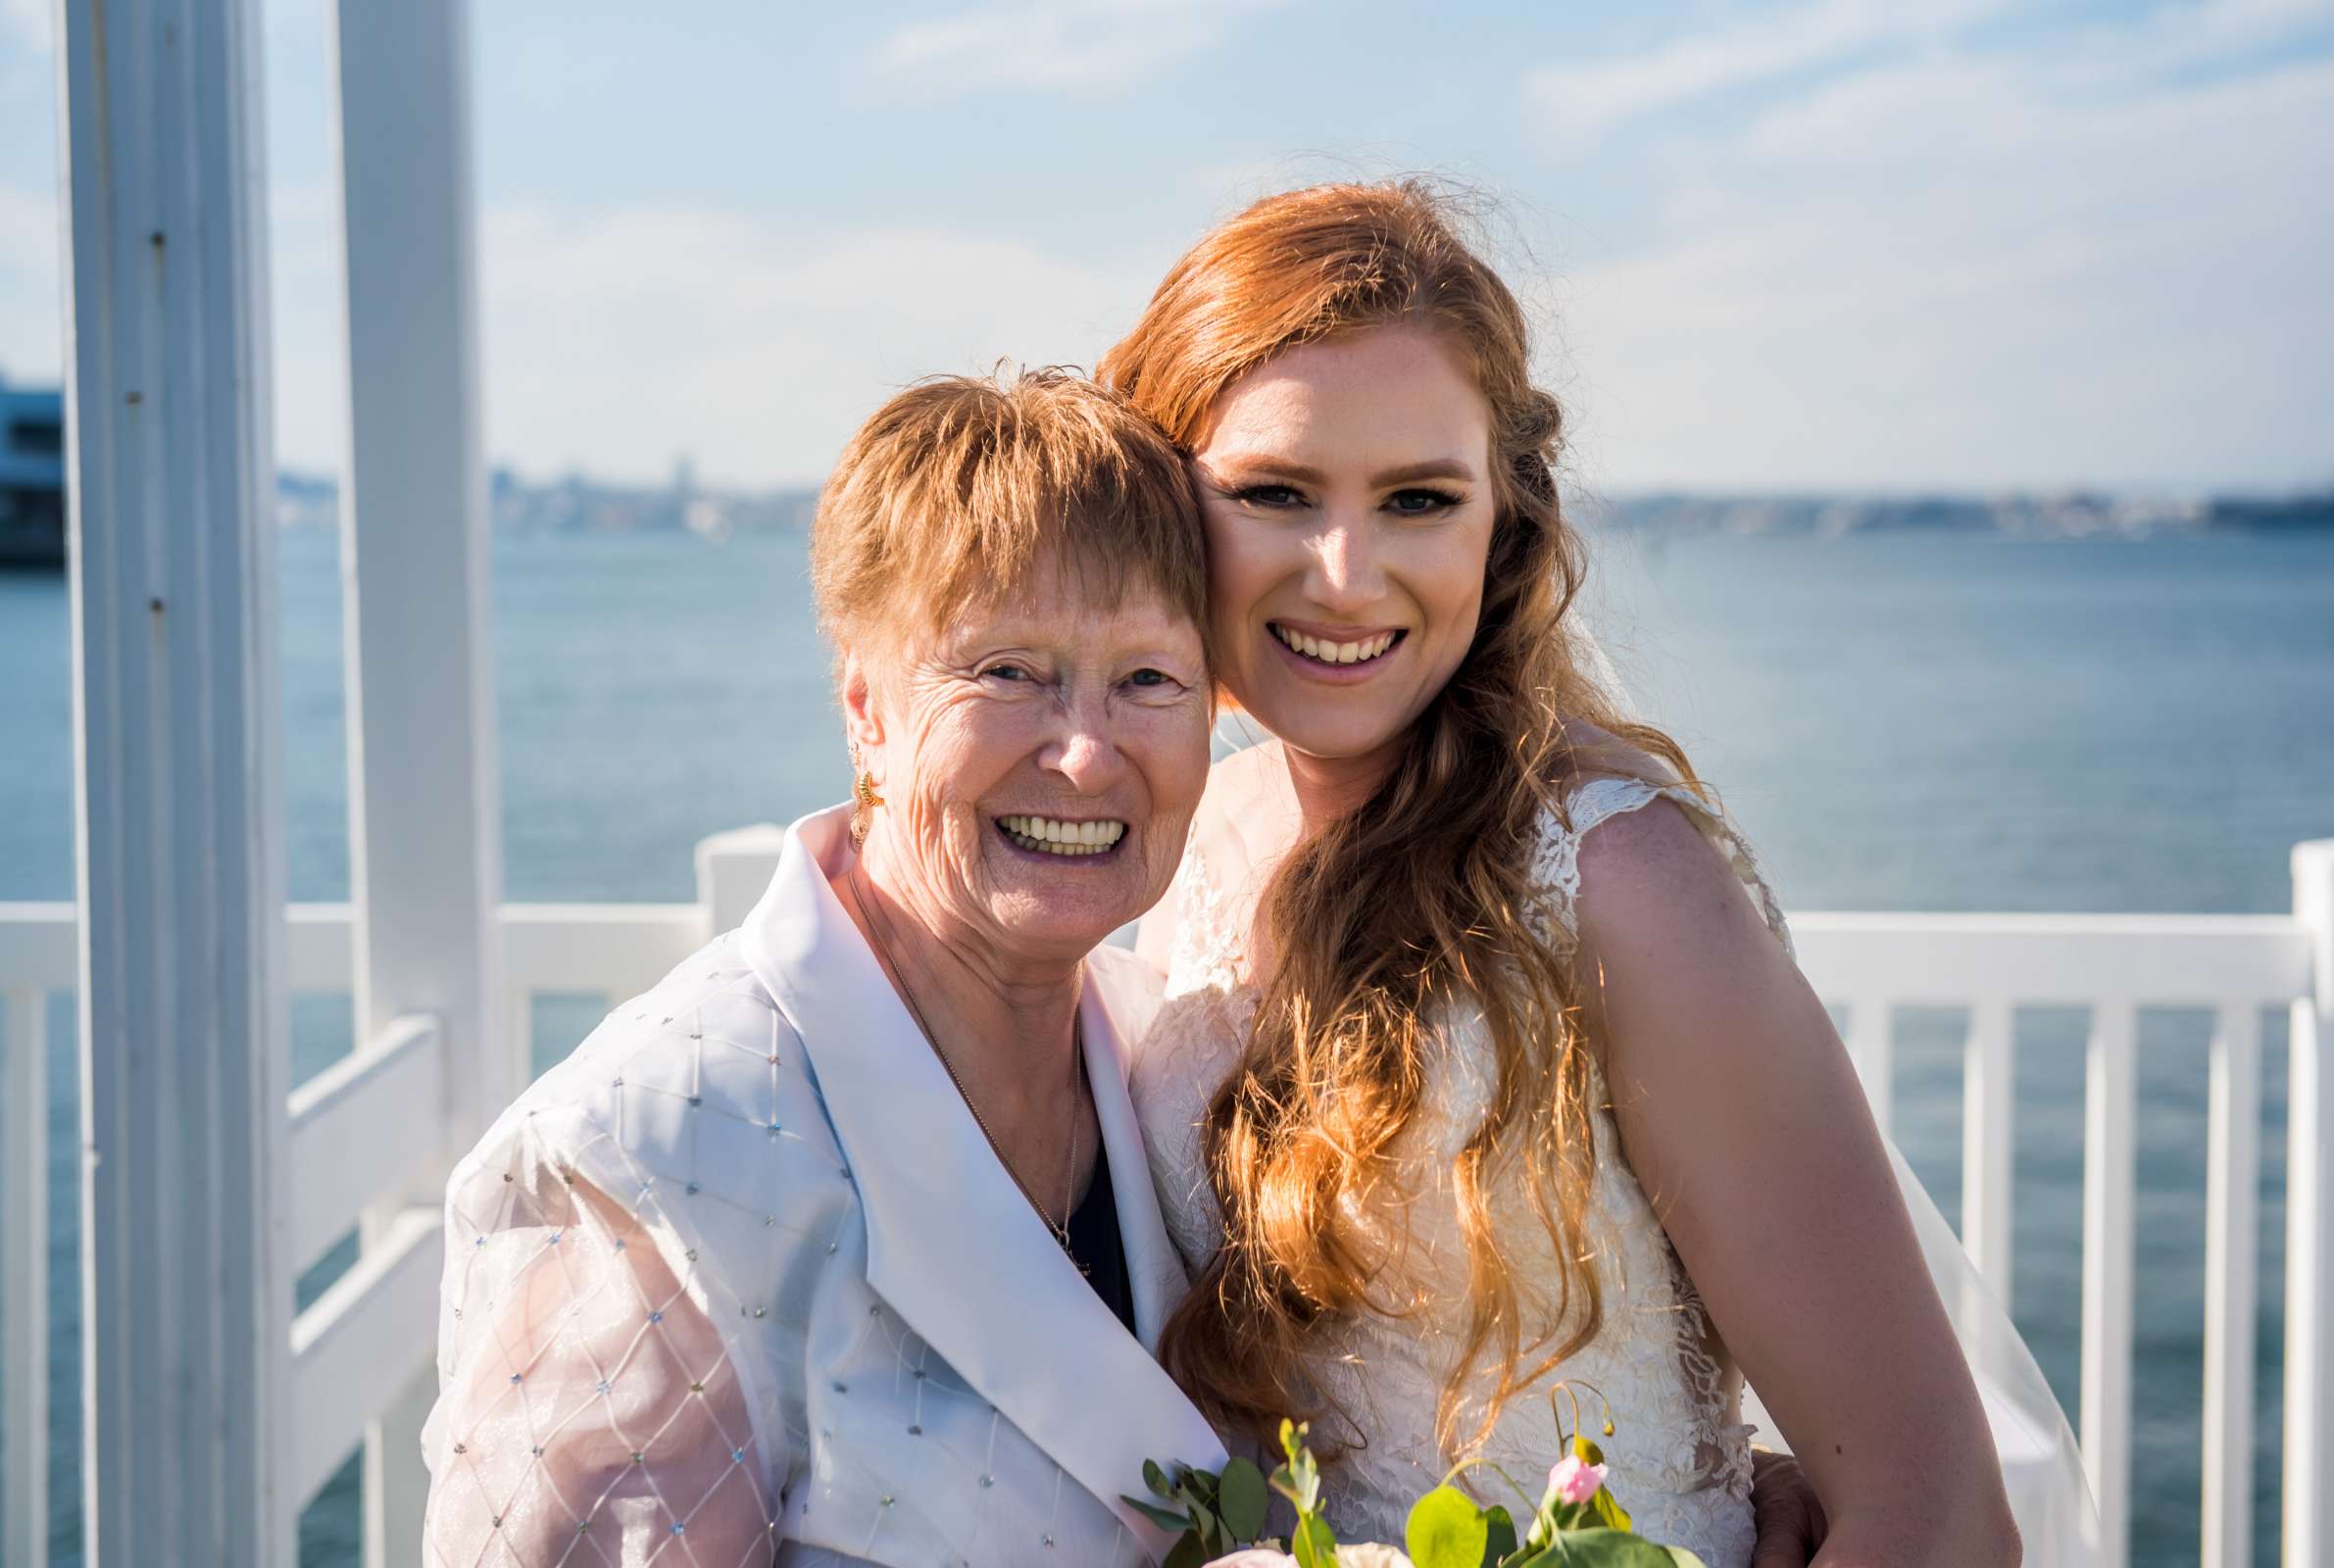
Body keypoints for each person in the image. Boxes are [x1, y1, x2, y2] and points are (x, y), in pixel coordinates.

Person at [1102, 181, 2068, 1566]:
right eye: (1275, 492)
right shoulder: (1190, 838)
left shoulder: (1618, 887)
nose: (1346, 572)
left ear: (1504, 525)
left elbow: (1934, 1513)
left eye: (1419, 500)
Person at [418, 368, 1229, 1564]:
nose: (1084, 753)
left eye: (1148, 679)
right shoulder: (656, 1162)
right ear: (867, 709)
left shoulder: (1164, 1067)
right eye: (1008, 670)